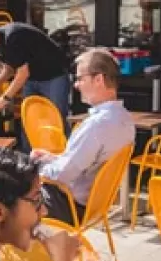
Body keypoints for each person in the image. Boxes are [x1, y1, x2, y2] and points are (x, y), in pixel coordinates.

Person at [32, 49, 134, 225]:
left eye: (80, 78)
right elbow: (85, 163)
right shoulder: (125, 119)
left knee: (3, 196)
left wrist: (35, 168)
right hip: (92, 207)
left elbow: (63, 174)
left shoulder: (97, 125)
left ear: (98, 79)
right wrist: (53, 159)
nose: (76, 85)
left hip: (67, 206)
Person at [0, 19, 73, 149]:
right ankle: (29, 157)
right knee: (29, 120)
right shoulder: (0, 43)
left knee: (57, 117)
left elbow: (23, 73)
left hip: (54, 75)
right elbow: (9, 69)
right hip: (33, 78)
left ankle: (65, 154)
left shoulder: (13, 37)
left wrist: (4, 100)